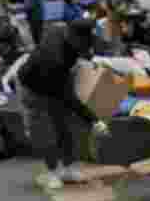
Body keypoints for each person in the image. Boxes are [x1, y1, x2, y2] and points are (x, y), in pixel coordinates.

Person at [17, 19, 108, 191]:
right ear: (73, 39)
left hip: (54, 81)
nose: (86, 49)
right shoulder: (55, 59)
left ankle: (68, 168)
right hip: (33, 88)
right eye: (83, 45)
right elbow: (69, 98)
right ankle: (52, 171)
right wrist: (94, 121)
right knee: (46, 132)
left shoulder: (63, 33)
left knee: (64, 126)